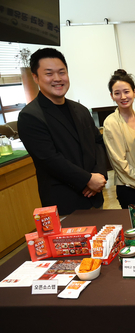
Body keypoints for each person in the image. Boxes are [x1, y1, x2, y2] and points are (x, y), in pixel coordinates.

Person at [18, 48, 107, 215]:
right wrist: (87, 180)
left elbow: (97, 142)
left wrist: (99, 175)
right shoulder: (30, 116)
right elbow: (50, 159)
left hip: (95, 198)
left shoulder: (80, 109)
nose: (57, 79)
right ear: (35, 77)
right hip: (65, 204)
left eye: (62, 72)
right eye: (49, 73)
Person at [103, 69, 135, 208]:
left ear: (134, 92)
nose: (123, 97)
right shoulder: (111, 123)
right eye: (117, 93)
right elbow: (120, 164)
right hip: (129, 188)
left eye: (126, 91)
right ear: (111, 96)